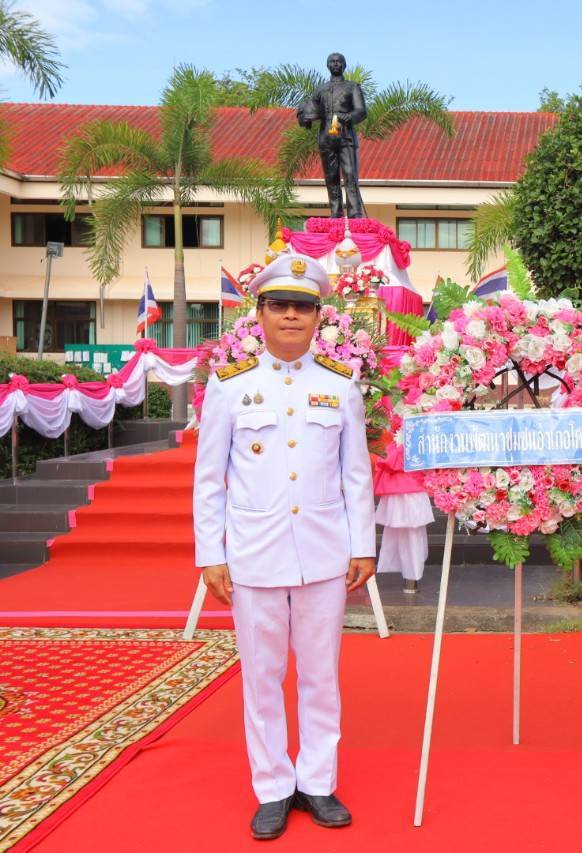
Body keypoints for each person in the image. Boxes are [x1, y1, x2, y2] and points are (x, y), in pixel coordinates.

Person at [193, 253, 376, 840]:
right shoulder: (229, 388)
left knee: (321, 675)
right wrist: (210, 554)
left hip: (324, 554)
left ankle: (318, 782)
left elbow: (356, 475)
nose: (292, 316)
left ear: (319, 316)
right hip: (254, 555)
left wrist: (363, 545)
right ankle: (272, 786)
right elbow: (209, 478)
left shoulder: (341, 385)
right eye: (280, 305)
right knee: (261, 677)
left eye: (303, 306)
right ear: (261, 313)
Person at [297, 52, 367, 218]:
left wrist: (348, 117)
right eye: (332, 62)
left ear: (344, 65)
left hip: (346, 136)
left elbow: (362, 111)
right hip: (326, 138)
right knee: (331, 177)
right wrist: (304, 119)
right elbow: (311, 110)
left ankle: (355, 213)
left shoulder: (352, 87)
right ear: (328, 65)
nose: (335, 64)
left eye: (338, 61)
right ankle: (336, 212)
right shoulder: (320, 89)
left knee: (350, 175)